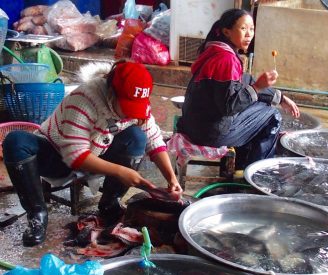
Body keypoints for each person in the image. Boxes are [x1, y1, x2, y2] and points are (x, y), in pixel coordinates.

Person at [2, 60, 183, 247]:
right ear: (112, 92)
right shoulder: (84, 98)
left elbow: (154, 140)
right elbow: (76, 155)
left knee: (136, 137)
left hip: (97, 154)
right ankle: (37, 215)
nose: (131, 115)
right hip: (58, 158)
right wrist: (122, 172)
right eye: (127, 106)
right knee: (16, 141)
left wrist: (171, 178)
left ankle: (110, 204)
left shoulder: (138, 104)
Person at [177, 8, 300, 169]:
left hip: (194, 126)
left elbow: (244, 82)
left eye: (251, 29)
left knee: (260, 106)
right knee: (272, 116)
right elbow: (229, 106)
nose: (249, 34)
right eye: (243, 29)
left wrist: (280, 97)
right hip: (210, 134)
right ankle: (256, 172)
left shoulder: (215, 51)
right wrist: (257, 87)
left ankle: (241, 166)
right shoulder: (226, 59)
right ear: (227, 32)